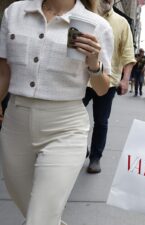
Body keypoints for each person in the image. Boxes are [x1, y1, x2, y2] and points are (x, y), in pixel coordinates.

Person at [0, 0, 114, 224]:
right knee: (35, 211)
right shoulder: (15, 12)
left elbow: (102, 89)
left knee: (39, 219)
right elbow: (4, 71)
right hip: (15, 124)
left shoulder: (97, 25)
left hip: (66, 128)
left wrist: (93, 62)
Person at [83, 0, 135, 173]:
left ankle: (95, 158)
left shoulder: (122, 23)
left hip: (108, 82)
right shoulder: (84, 15)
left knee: (101, 121)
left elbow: (128, 55)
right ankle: (81, 148)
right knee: (76, 116)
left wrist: (125, 79)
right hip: (82, 79)